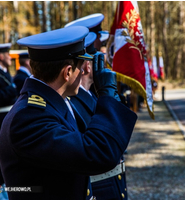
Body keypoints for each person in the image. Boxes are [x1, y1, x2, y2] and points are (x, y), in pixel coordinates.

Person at [0, 26, 137, 200]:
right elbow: (96, 153)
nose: (85, 71)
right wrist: (108, 95)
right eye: (81, 67)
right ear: (68, 72)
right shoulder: (29, 117)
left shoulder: (51, 104)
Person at [67, 16, 129, 200]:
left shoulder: (92, 94)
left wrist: (111, 95)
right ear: (87, 65)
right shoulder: (73, 101)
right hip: (98, 189)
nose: (102, 63)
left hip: (113, 183)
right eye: (97, 58)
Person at [0, 43, 17, 200]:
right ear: (1, 56)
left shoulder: (2, 72)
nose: (10, 57)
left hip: (5, 121)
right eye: (7, 54)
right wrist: (11, 90)